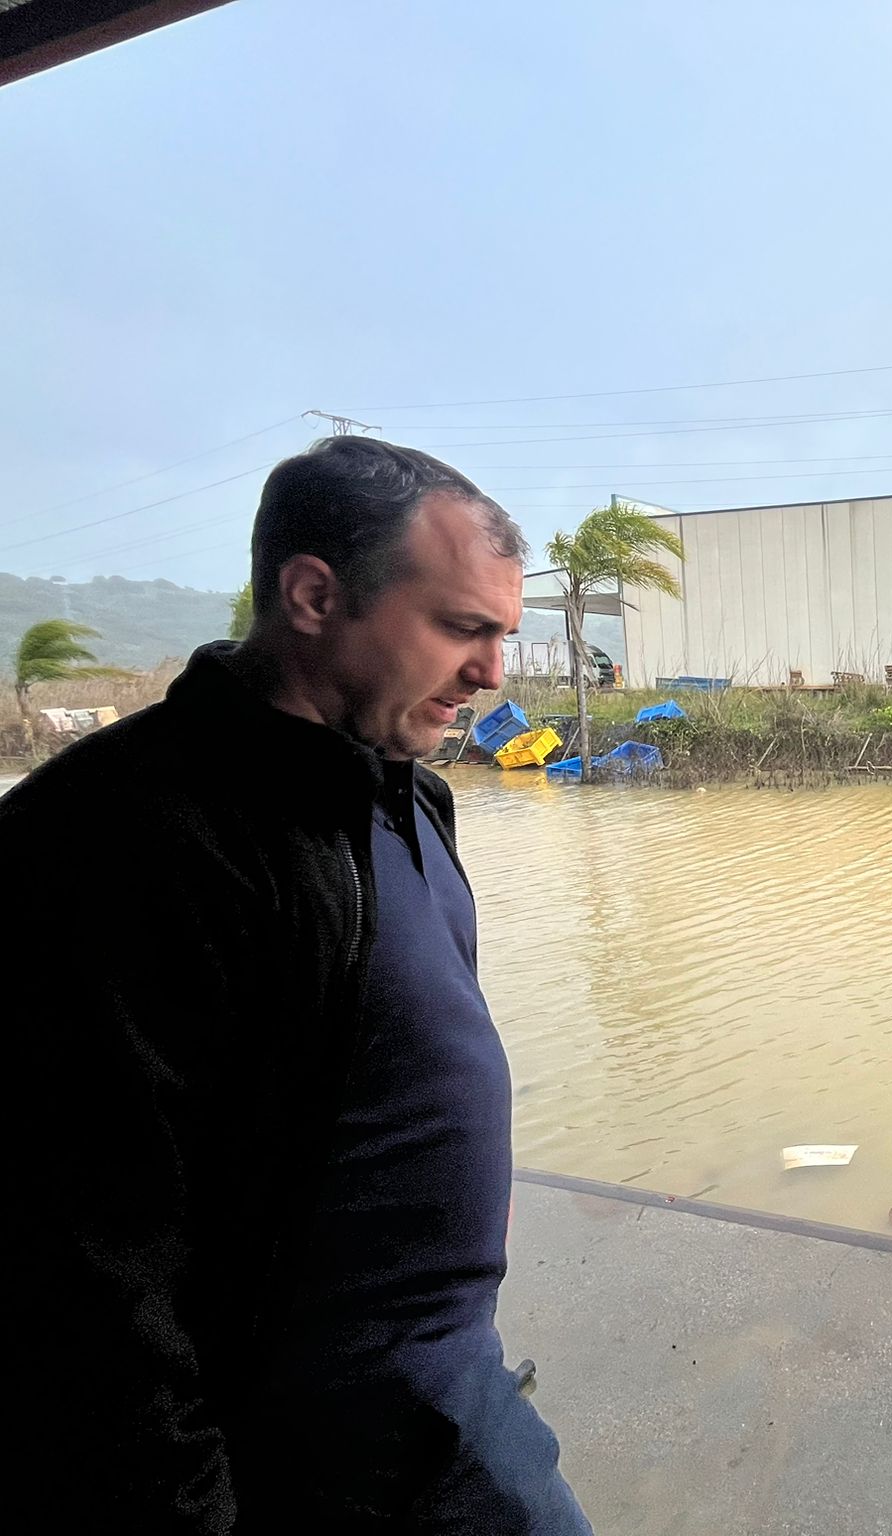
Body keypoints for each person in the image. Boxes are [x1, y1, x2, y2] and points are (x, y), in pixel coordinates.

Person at [7, 438, 590, 1533]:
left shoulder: (405, 794)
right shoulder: (115, 844)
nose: (493, 674)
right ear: (315, 595)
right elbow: (83, 1275)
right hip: (309, 1456)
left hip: (448, 1393)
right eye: (462, 627)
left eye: (502, 636)